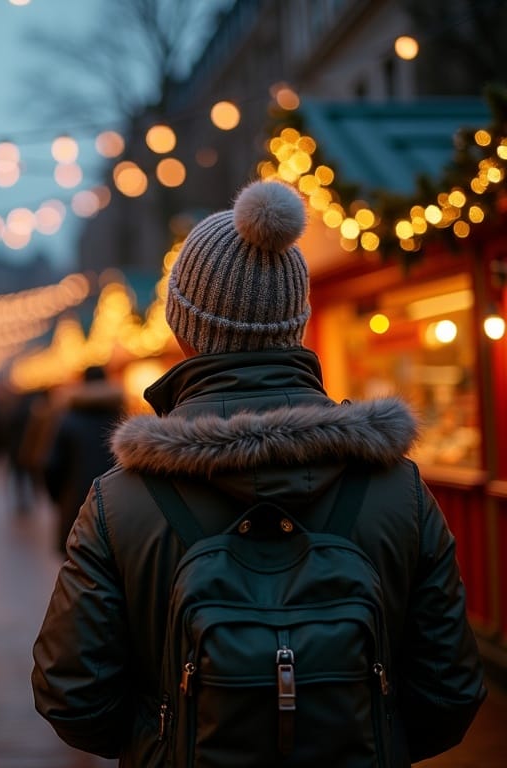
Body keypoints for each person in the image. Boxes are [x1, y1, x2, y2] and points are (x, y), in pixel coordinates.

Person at [31, 181, 487, 766]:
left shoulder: (119, 502)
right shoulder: (400, 489)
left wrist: (169, 734)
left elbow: (71, 695)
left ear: (182, 326)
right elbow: (450, 691)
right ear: (296, 320)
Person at [42, 365, 125, 553]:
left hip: (76, 506)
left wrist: (59, 498)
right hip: (117, 509)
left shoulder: (67, 420)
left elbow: (51, 466)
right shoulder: (121, 419)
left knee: (75, 566)